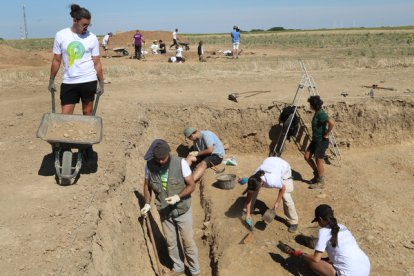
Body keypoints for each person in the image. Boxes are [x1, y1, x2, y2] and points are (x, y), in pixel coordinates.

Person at [141, 140, 201, 276]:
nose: (161, 161)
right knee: (171, 242)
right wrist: (147, 203)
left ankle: (195, 270)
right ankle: (178, 267)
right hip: (164, 211)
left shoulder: (181, 163)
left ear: (168, 154)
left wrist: (178, 197)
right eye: (158, 159)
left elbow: (191, 185)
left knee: (188, 242)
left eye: (163, 159)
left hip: (182, 209)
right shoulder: (149, 166)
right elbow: (147, 185)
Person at [282, 204, 370, 276]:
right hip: (365, 268)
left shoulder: (324, 232)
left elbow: (316, 259)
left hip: (350, 274)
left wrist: (302, 254)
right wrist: (325, 259)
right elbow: (340, 250)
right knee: (325, 260)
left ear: (320, 219)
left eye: (318, 221)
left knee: (313, 263)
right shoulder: (342, 227)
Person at [48, 4, 104, 116]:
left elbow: (97, 62)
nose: (86, 28)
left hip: (88, 80)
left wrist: (101, 82)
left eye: (88, 25)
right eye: (84, 25)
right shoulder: (61, 35)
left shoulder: (92, 37)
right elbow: (56, 61)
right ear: (75, 20)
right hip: (69, 81)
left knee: (87, 112)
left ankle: (88, 133)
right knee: (66, 115)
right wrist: (51, 80)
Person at [244, 157, 299, 233]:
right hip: (270, 162)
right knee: (253, 191)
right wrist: (247, 213)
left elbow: (283, 188)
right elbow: (249, 195)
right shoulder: (253, 178)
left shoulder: (272, 181)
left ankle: (293, 221)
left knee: (285, 195)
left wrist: (277, 202)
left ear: (261, 184)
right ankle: (250, 210)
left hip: (283, 167)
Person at [304, 95, 335, 189]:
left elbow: (332, 122)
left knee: (318, 159)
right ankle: (317, 175)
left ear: (314, 105)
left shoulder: (321, 114)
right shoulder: (317, 113)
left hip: (321, 141)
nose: (309, 106)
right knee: (307, 156)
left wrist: (327, 133)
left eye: (310, 104)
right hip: (315, 140)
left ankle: (321, 182)